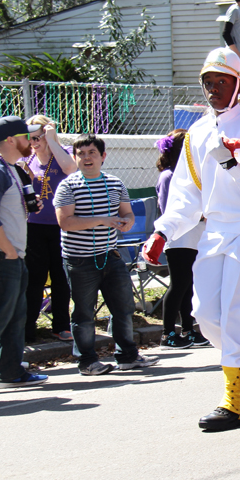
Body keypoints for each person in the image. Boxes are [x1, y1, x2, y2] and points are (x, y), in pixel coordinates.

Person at [143, 47, 240, 431]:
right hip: (215, 230)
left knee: (235, 312)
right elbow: (187, 197)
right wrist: (163, 231)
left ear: (239, 84)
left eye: (222, 81)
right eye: (208, 82)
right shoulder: (197, 133)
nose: (213, 89)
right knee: (205, 316)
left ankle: (236, 403)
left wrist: (230, 163)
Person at [55, 134, 159, 376]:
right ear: (75, 157)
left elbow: (127, 213)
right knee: (84, 312)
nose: (86, 158)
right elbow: (65, 222)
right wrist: (102, 220)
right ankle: (87, 361)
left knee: (123, 307)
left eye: (91, 153)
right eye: (81, 154)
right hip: (79, 259)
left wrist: (127, 223)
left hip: (111, 255)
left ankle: (128, 357)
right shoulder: (68, 185)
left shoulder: (115, 183)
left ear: (103, 156)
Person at [0, 116, 49, 394]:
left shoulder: (9, 169)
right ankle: (9, 371)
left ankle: (10, 372)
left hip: (11, 255)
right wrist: (7, 249)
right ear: (10, 140)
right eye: (26, 137)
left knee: (14, 315)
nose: (31, 142)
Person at [21, 115, 76, 343]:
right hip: (33, 227)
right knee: (35, 278)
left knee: (61, 277)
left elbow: (71, 169)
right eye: (29, 138)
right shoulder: (28, 158)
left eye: (37, 137)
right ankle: (28, 327)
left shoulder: (63, 151)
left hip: (60, 226)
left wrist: (52, 140)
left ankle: (61, 325)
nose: (33, 142)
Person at [154, 130, 207, 349]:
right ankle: (167, 333)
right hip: (178, 239)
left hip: (195, 237)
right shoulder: (168, 176)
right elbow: (170, 210)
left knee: (189, 285)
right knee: (178, 285)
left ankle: (188, 329)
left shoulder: (191, 174)